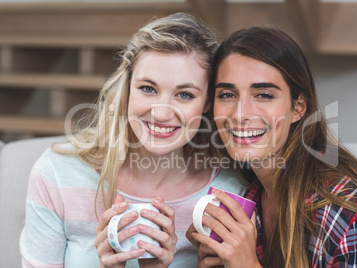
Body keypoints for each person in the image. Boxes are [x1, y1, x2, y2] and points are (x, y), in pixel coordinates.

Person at [19, 13, 250, 268]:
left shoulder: (226, 198)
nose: (161, 113)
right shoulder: (58, 173)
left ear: (207, 102)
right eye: (148, 89)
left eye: (184, 94)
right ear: (128, 88)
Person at [186, 27, 357, 267]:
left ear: (298, 108)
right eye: (227, 94)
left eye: (264, 95)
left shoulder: (343, 210)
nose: (240, 114)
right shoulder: (248, 195)